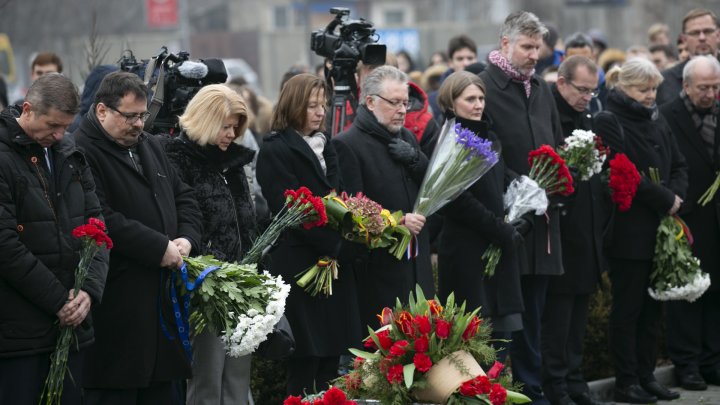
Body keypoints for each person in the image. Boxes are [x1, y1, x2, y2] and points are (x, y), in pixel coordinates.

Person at [73, 71, 203, 405]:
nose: (139, 124)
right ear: (102, 111)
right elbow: (101, 217)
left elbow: (184, 196)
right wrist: (158, 247)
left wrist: (186, 239)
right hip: (118, 310)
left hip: (160, 310)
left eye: (143, 116)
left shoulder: (149, 146)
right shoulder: (81, 151)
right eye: (130, 116)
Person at [0, 73, 108, 404]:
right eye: (52, 125)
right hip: (20, 333)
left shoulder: (68, 152)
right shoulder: (4, 157)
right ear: (28, 109)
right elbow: (5, 245)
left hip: (72, 326)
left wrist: (88, 292)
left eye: (65, 126)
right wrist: (59, 300)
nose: (59, 134)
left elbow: (98, 227)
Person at [256, 73, 361, 396]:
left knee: (331, 360)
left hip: (330, 267)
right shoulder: (275, 149)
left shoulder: (328, 146)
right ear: (293, 105)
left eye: (323, 105)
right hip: (299, 266)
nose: (320, 112)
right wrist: (336, 244)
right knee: (305, 362)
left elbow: (339, 198)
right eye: (311, 105)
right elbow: (290, 211)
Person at [479, 11, 564, 405]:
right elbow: (485, 151)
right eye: (527, 47)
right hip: (506, 220)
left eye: (538, 46)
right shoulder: (483, 86)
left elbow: (556, 145)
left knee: (536, 310)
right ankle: (499, 389)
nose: (535, 54)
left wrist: (555, 181)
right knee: (506, 314)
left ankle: (533, 387)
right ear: (505, 44)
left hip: (543, 220)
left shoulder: (542, 89)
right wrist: (522, 188)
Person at [594, 57, 687, 404]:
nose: (650, 96)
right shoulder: (609, 119)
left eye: (653, 89)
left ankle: (647, 376)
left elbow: (678, 162)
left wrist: (677, 195)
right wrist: (665, 197)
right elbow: (621, 170)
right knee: (629, 309)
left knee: (653, 310)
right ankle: (627, 380)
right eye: (643, 89)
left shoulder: (657, 117)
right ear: (624, 87)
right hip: (630, 230)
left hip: (660, 227)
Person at [162, 84, 257, 404]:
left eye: (235, 127)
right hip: (202, 286)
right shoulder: (177, 159)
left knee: (237, 380)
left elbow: (245, 220)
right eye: (225, 126)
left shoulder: (233, 163)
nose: (231, 134)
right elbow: (182, 221)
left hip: (241, 283)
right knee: (206, 380)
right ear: (204, 119)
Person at [332, 65, 434, 332]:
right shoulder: (348, 144)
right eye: (395, 102)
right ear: (370, 102)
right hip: (381, 276)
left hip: (417, 268)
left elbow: (429, 185)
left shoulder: (408, 137)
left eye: (405, 102)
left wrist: (415, 158)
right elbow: (353, 218)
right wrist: (398, 222)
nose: (403, 110)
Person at [435, 70, 526, 360]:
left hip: (496, 248)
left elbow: (501, 181)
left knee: (501, 342)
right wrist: (499, 230)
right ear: (451, 104)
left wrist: (525, 201)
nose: (478, 105)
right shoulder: (448, 140)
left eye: (481, 98)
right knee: (473, 342)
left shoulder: (489, 135)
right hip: (467, 252)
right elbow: (457, 200)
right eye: (469, 99)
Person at [542, 56, 608, 405]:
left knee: (577, 318)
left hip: (587, 234)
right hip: (562, 234)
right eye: (582, 90)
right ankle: (557, 385)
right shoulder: (551, 115)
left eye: (593, 91)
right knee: (558, 320)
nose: (588, 97)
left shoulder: (587, 115)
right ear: (562, 82)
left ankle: (575, 380)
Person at [660, 55, 720, 390]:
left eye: (715, 87)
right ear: (685, 85)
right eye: (703, 87)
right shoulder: (668, 115)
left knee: (715, 293)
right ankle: (687, 364)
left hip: (716, 217)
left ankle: (712, 360)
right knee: (687, 294)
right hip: (685, 217)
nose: (710, 94)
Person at [656, 9, 719, 106]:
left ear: (718, 35)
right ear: (684, 39)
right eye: (695, 33)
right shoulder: (665, 81)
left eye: (707, 31)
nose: (702, 38)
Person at [428, 35, 479, 123]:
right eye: (460, 59)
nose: (466, 63)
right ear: (450, 63)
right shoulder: (435, 99)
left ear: (476, 60)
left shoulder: (488, 89)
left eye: (470, 58)